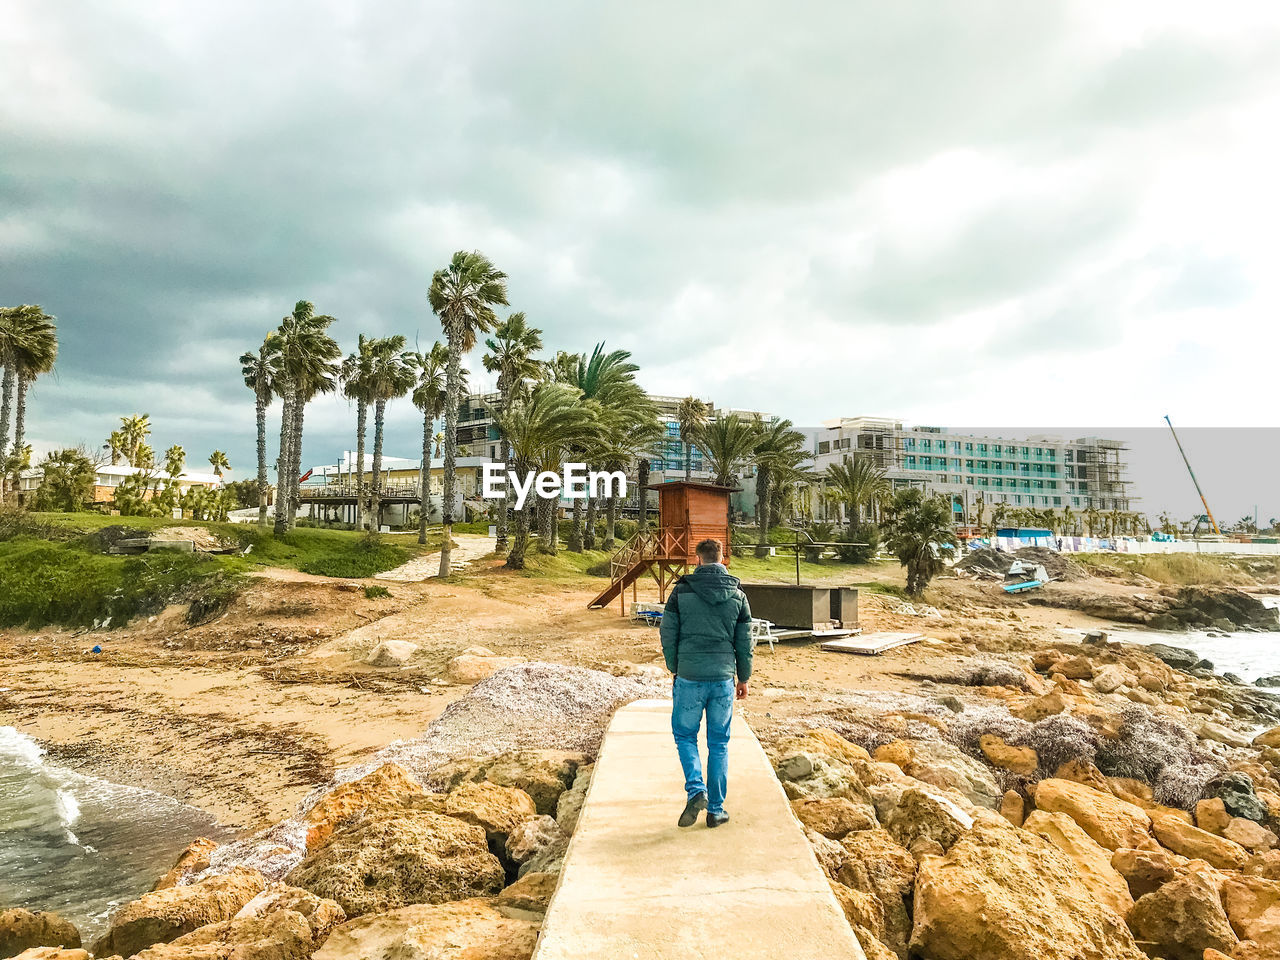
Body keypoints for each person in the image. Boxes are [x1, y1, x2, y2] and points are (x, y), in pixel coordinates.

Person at [659, 537, 752, 828]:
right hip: (723, 677)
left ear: (698, 559)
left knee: (685, 736)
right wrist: (744, 677)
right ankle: (716, 810)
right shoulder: (738, 593)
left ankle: (696, 789)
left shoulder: (681, 590)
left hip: (689, 674)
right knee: (719, 743)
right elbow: (745, 640)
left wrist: (675, 667)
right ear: (722, 558)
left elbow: (667, 633)